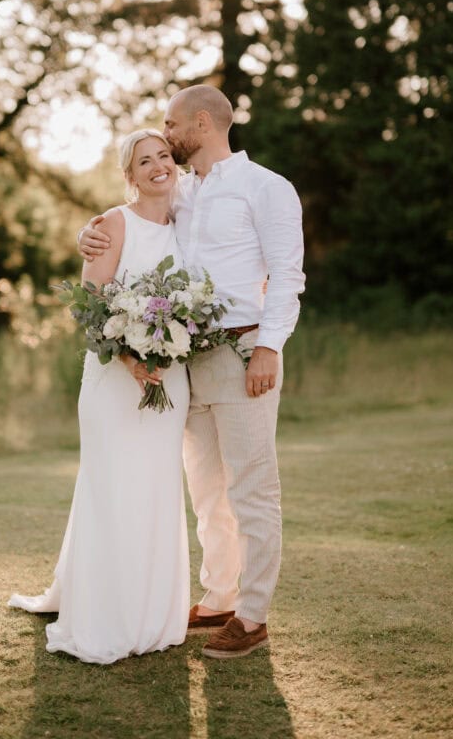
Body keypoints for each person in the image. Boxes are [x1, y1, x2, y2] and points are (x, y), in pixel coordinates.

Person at [79, 85, 305, 659]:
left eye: (170, 125)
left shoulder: (266, 188)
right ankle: (220, 597)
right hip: (185, 361)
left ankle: (253, 618)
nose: (165, 134)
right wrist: (91, 231)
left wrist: (269, 348)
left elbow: (287, 274)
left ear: (200, 124)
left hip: (243, 352)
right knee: (208, 493)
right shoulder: (184, 194)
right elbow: (136, 227)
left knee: (253, 487)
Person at [8, 130, 190, 664]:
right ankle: (104, 611)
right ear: (129, 176)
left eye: (163, 157)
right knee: (110, 487)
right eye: (144, 161)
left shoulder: (189, 223)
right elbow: (88, 309)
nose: (157, 167)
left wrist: (164, 354)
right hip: (114, 379)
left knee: (156, 488)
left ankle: (152, 612)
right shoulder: (111, 224)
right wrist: (133, 360)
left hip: (170, 378)